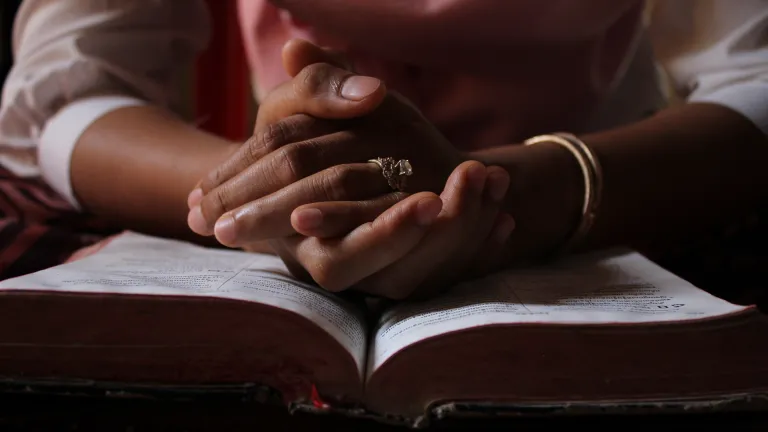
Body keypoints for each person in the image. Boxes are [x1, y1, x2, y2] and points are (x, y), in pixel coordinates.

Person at [0, 1, 766, 300]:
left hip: (611, 193)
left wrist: (520, 191)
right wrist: (276, 191)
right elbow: (67, 96)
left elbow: (754, 78)